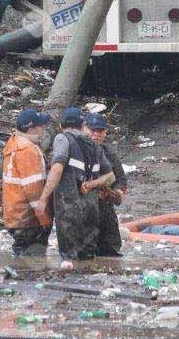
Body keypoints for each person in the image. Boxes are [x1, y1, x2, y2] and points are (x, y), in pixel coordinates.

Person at [35, 107, 115, 260]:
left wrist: (43, 199)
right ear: (82, 124)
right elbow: (111, 177)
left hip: (69, 210)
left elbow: (57, 168)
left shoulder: (62, 138)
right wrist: (92, 184)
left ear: (61, 126)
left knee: (70, 259)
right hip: (91, 211)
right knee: (87, 257)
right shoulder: (95, 147)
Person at [2, 108, 53, 256]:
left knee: (20, 253)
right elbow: (33, 189)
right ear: (31, 129)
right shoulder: (28, 150)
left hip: (14, 215)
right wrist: (44, 219)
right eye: (41, 126)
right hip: (28, 219)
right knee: (32, 259)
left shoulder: (13, 143)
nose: (44, 129)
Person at [83, 113, 127, 257]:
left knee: (111, 251)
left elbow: (121, 179)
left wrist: (118, 192)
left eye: (100, 131)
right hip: (85, 208)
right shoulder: (76, 149)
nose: (96, 135)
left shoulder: (109, 152)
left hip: (105, 208)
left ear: (105, 133)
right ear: (84, 128)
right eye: (92, 130)